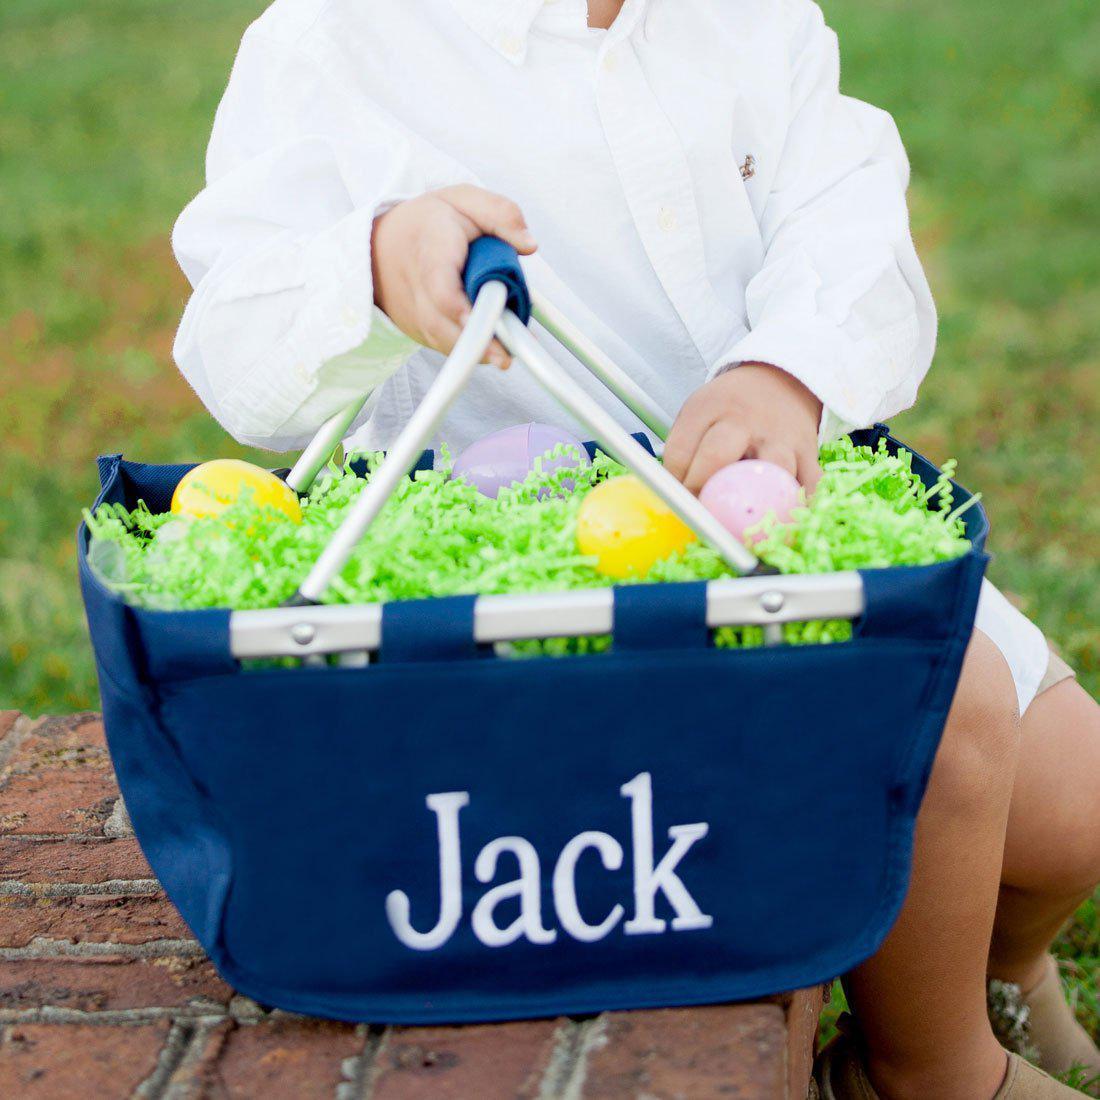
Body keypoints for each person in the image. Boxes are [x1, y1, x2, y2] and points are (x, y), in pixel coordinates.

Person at [171, 2, 1100, 1096]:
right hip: (522, 581)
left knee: (1072, 804)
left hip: (765, 515)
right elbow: (235, 337)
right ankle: (924, 1062)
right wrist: (371, 261)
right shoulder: (332, 42)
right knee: (940, 713)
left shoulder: (753, 21)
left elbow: (843, 214)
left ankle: (996, 959)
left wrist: (785, 366)